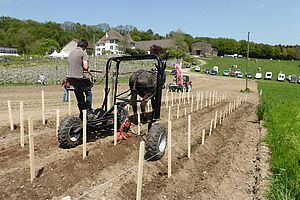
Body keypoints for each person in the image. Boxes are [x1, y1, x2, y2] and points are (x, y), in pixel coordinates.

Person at [68, 39, 94, 120]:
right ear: (84, 46)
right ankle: (88, 110)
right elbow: (85, 67)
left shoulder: (71, 53)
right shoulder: (83, 53)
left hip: (72, 78)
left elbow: (75, 65)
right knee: (89, 92)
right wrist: (87, 69)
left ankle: (82, 112)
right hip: (80, 78)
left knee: (79, 95)